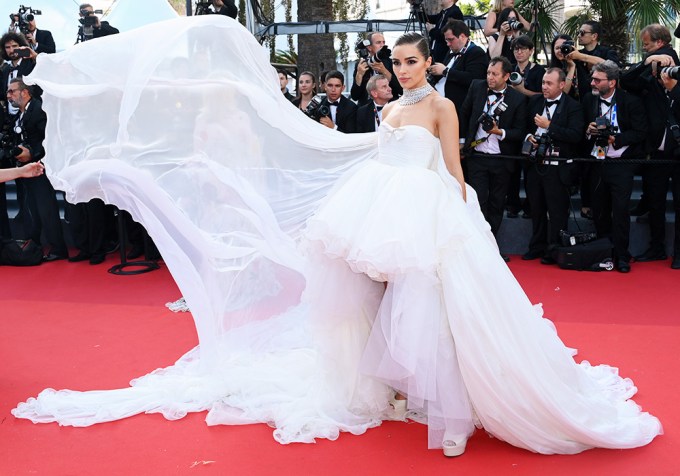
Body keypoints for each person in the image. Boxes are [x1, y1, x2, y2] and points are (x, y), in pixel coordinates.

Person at [13, 18, 661, 458]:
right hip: (383, 207)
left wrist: (461, 208)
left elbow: (452, 164)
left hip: (430, 210)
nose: (404, 70)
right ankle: (405, 390)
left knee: (439, 301)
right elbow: (375, 154)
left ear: (428, 63)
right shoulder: (387, 108)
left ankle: (447, 403)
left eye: (413, 61)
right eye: (397, 63)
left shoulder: (439, 106)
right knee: (376, 297)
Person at [459, 56, 528, 261]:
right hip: (476, 157)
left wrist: (500, 132)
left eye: (494, 74)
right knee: (478, 201)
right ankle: (476, 246)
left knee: (498, 203)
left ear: (506, 76)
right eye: (488, 73)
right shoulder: (476, 87)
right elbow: (464, 113)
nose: (489, 77)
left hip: (502, 158)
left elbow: (520, 131)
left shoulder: (518, 99)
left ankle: (491, 246)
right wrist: (462, 141)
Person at [583, 61, 648, 273]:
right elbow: (580, 129)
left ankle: (621, 256)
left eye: (597, 80)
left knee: (620, 212)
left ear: (611, 82)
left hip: (621, 164)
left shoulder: (631, 102)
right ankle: (603, 252)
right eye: (593, 79)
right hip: (597, 163)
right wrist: (588, 130)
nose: (592, 82)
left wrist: (616, 139)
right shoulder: (588, 100)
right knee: (599, 210)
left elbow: (640, 132)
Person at [522, 68, 584, 263]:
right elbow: (524, 127)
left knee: (557, 211)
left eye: (549, 83)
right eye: (543, 83)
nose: (544, 87)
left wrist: (549, 126)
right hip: (535, 165)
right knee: (536, 208)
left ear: (561, 85)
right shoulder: (534, 102)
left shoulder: (573, 106)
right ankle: (536, 246)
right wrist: (529, 136)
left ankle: (554, 249)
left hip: (558, 167)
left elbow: (575, 135)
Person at [6, 78, 68, 261]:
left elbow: (50, 139)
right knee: (33, 208)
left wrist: (31, 153)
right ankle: (35, 244)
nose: (8, 96)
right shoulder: (21, 115)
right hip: (28, 169)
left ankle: (58, 248)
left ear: (24, 92)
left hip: (41, 167)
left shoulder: (39, 110)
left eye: (12, 91)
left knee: (46, 208)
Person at [428, 19, 487, 113]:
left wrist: (445, 71)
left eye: (451, 40)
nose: (448, 44)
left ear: (462, 36)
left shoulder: (476, 52)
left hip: (458, 107)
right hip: (438, 102)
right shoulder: (452, 51)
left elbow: (473, 79)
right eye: (446, 40)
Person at [350, 32, 401, 107]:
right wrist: (359, 75)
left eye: (383, 42)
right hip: (366, 110)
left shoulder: (392, 63)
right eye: (378, 42)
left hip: (390, 108)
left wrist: (384, 71)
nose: (382, 45)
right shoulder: (361, 65)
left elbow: (401, 90)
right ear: (369, 47)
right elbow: (355, 96)